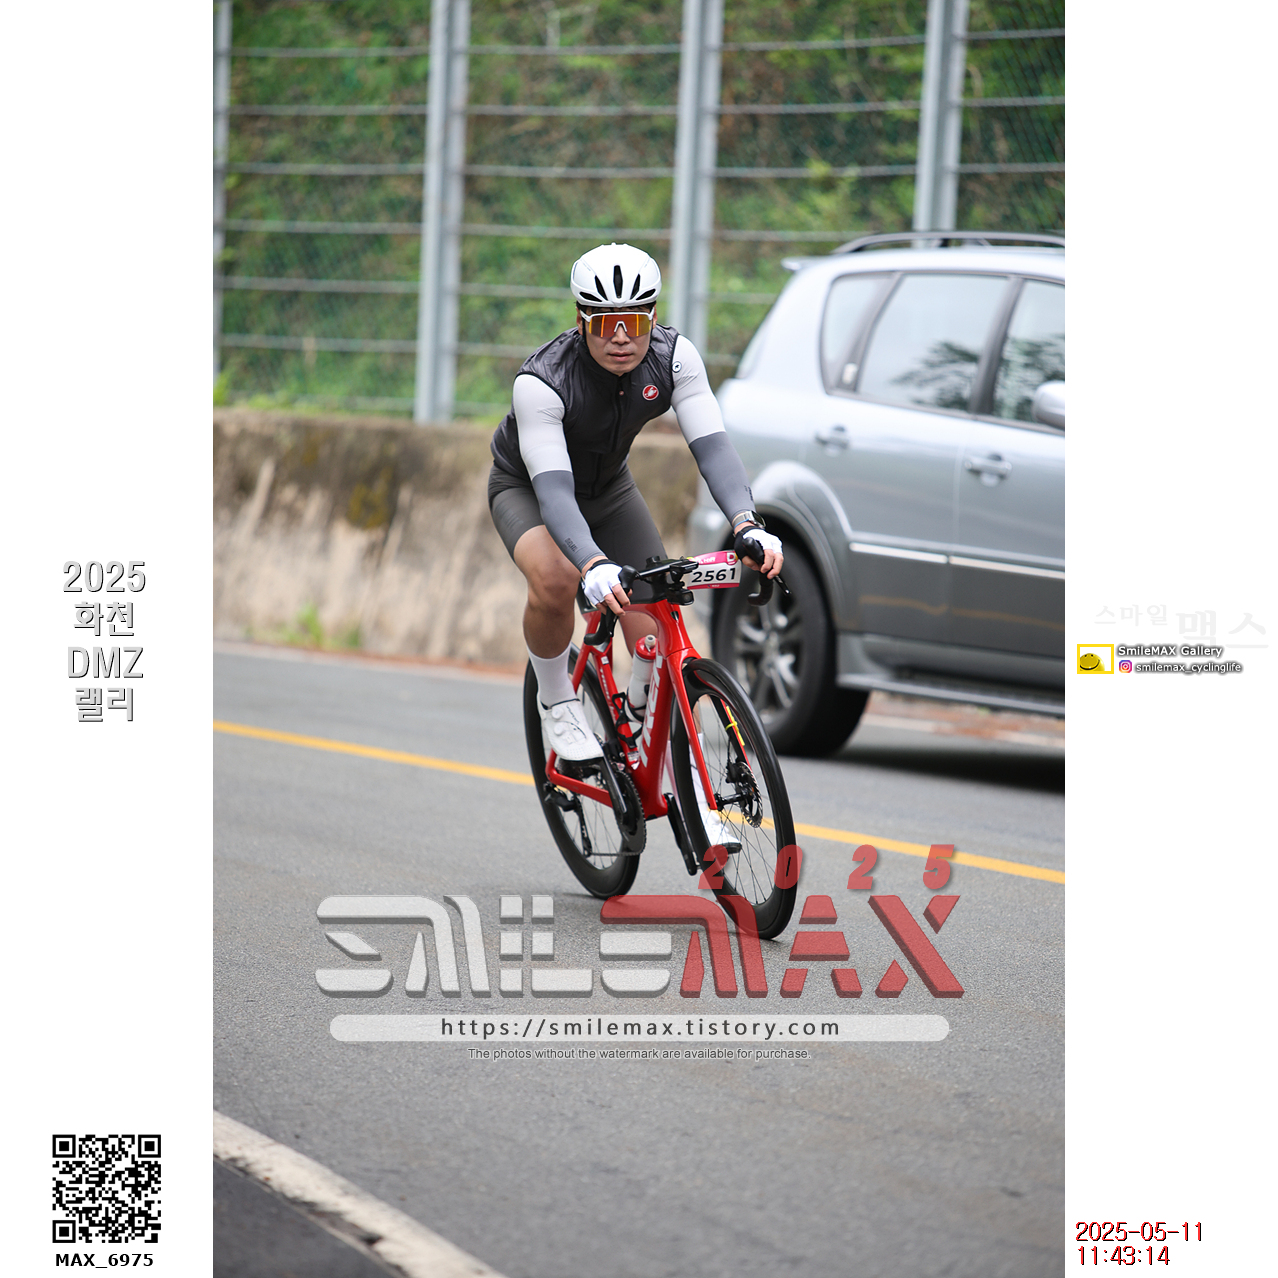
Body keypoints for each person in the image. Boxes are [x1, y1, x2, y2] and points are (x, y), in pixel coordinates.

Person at [488, 242, 783, 766]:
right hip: (529, 489)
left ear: (652, 316)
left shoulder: (675, 358)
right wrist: (592, 563)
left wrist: (747, 524)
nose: (621, 337)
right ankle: (557, 700)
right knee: (556, 579)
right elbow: (554, 492)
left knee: (653, 619)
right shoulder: (542, 382)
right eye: (605, 323)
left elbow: (714, 449)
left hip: (609, 491)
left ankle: (644, 719)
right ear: (581, 321)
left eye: (634, 321)